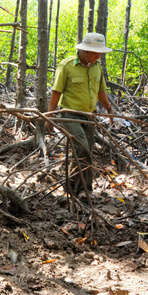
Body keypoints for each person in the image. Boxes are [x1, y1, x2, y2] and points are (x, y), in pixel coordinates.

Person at [46, 32, 114, 196]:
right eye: (95, 53)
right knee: (82, 147)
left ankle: (72, 186)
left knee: (85, 152)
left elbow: (101, 92)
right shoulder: (67, 66)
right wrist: (49, 117)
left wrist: (109, 110)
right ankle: (84, 190)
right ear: (84, 51)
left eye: (100, 53)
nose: (98, 56)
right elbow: (56, 93)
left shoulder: (97, 67)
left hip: (89, 115)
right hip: (69, 114)